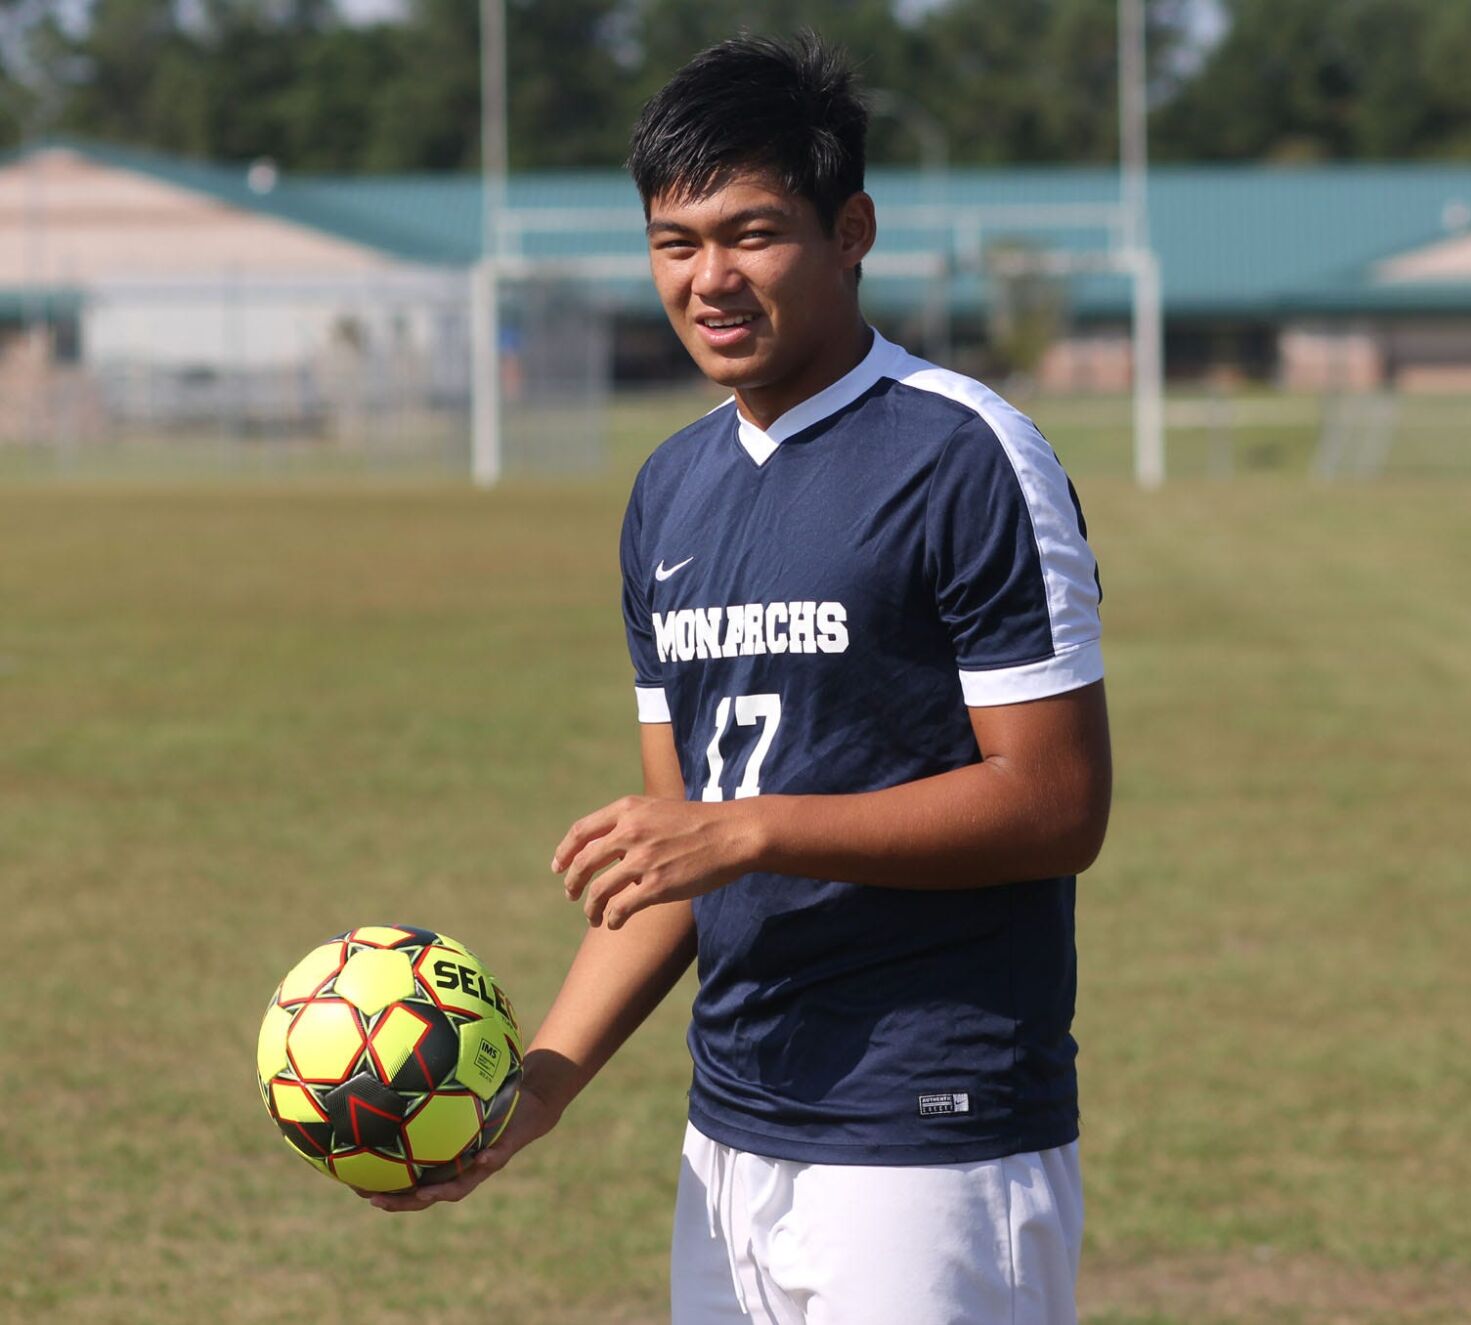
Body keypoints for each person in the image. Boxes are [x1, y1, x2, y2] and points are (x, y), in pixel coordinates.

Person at [370, 31, 1112, 1325]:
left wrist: (750, 828)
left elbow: (1057, 803)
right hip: (733, 1141)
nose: (709, 277)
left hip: (929, 1132)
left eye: (752, 232)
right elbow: (674, 863)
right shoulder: (672, 490)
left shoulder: (966, 454)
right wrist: (538, 1083)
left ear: (851, 229)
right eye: (675, 241)